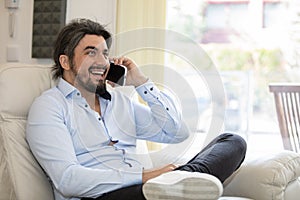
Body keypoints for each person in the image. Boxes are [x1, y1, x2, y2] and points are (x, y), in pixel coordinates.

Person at [26, 18, 247, 200]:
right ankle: (178, 186)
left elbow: (177, 132)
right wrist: (144, 177)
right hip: (100, 196)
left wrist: (141, 84)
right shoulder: (49, 107)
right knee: (156, 188)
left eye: (104, 53)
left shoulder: (118, 103)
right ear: (65, 62)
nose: (102, 62)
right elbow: (67, 180)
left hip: (145, 189)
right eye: (90, 53)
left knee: (232, 141)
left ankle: (178, 186)